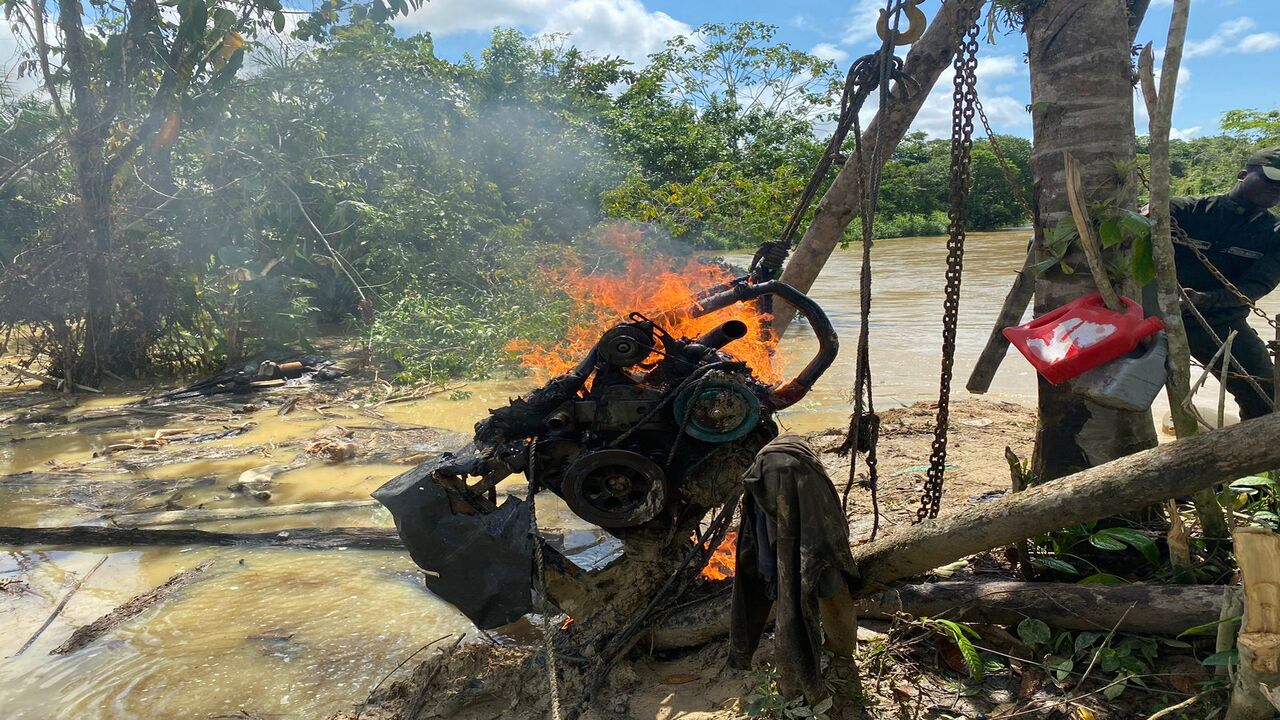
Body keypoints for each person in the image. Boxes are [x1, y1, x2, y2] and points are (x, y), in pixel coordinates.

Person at [1171, 148, 1280, 420]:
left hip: (1221, 321)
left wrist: (1207, 300)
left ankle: (1247, 458)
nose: (1277, 188)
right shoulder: (1181, 211)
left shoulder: (1274, 234)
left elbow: (1257, 285)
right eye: (1272, 178)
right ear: (1243, 174)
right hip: (1151, 317)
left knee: (1268, 399)